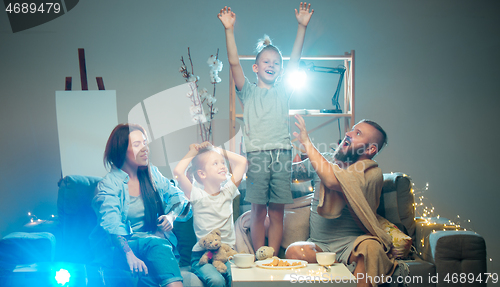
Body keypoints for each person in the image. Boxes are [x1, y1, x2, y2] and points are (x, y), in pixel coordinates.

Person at [217, 2, 314, 255]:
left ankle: (274, 256)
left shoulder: (283, 91)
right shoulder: (247, 92)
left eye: (276, 63)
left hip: (282, 155)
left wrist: (301, 27)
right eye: (266, 61)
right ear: (256, 67)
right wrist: (229, 29)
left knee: (278, 211)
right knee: (259, 210)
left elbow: (295, 60)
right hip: (258, 155)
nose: (272, 65)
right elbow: (233, 62)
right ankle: (261, 255)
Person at [286, 115, 409, 287]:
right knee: (294, 251)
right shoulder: (326, 161)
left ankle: (352, 270)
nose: (348, 133)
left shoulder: (371, 173)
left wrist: (307, 143)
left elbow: (332, 180)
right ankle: (340, 269)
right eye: (351, 129)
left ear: (371, 149)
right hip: (320, 245)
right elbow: (290, 174)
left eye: (358, 133)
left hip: (353, 244)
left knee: (371, 248)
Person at [90, 123, 191, 287]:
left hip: (152, 246)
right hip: (120, 248)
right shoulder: (108, 185)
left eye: (145, 143)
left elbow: (179, 198)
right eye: (137, 145)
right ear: (121, 150)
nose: (145, 148)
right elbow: (111, 224)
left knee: (154, 258)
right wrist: (129, 254)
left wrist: (171, 217)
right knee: (157, 244)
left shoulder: (152, 174)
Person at [173, 142, 247, 287]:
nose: (222, 166)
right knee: (216, 280)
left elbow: (242, 162)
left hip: (227, 254)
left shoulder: (228, 192)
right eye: (215, 163)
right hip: (202, 256)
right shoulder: (197, 196)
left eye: (222, 163)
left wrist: (218, 150)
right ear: (202, 174)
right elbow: (178, 172)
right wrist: (193, 152)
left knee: (238, 278)